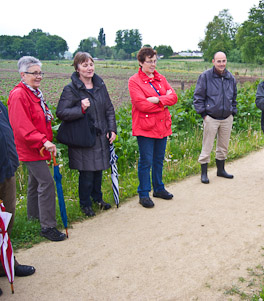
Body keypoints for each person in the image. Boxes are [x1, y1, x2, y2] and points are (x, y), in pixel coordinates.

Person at [7, 56, 66, 241]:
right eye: (34, 73)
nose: (39, 76)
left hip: (37, 147)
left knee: (34, 183)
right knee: (47, 183)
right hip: (31, 148)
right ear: (23, 75)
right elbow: (21, 126)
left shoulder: (34, 93)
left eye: (40, 73)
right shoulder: (18, 95)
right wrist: (43, 141)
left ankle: (33, 218)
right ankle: (47, 226)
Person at [56, 52, 117, 217]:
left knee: (98, 171)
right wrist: (80, 109)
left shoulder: (100, 85)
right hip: (83, 138)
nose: (89, 68)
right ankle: (85, 204)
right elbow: (61, 112)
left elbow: (109, 109)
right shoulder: (71, 89)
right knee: (87, 173)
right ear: (77, 68)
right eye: (85, 65)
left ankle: (98, 199)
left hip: (100, 136)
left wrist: (112, 129)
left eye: (91, 64)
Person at [128, 47, 178, 208]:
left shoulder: (161, 79)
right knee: (146, 161)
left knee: (158, 160)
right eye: (149, 61)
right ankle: (144, 193)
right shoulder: (134, 81)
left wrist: (157, 100)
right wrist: (164, 102)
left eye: (155, 61)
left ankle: (158, 188)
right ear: (141, 62)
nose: (153, 64)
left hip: (162, 126)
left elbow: (174, 97)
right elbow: (141, 105)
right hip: (145, 128)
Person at [0, 101, 36, 294]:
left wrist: (13, 161)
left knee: (7, 222)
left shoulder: (0, 106)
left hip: (6, 171)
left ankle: (6, 264)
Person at [193, 51, 237, 184]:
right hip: (211, 117)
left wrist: (232, 111)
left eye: (223, 61)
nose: (221, 64)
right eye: (219, 61)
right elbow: (198, 97)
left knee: (223, 146)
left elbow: (234, 96)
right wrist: (204, 114)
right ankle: (204, 173)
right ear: (213, 61)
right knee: (207, 146)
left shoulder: (230, 78)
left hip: (226, 117)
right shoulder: (205, 76)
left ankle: (221, 170)